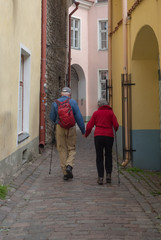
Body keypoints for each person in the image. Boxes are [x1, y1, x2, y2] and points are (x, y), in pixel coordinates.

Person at [50, 87, 85, 180]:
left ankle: (65, 173)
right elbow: (79, 117)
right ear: (69, 94)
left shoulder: (55, 103)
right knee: (71, 148)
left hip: (60, 127)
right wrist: (83, 130)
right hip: (71, 127)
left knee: (62, 148)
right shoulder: (72, 102)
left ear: (61, 93)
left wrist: (57, 121)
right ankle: (69, 165)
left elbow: (52, 117)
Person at [85, 99, 119, 185]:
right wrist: (115, 129)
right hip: (109, 136)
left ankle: (100, 177)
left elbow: (89, 125)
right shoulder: (111, 113)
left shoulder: (96, 113)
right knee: (108, 155)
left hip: (98, 136)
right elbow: (116, 125)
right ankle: (108, 175)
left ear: (99, 106)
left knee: (99, 156)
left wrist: (86, 134)